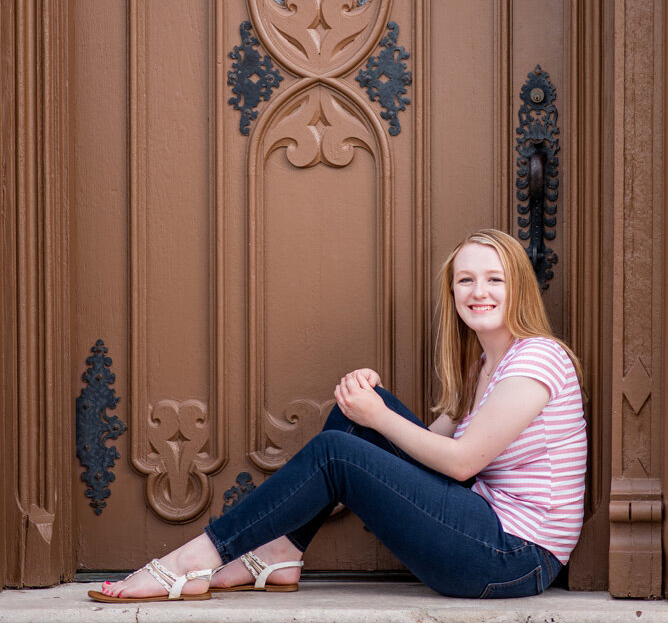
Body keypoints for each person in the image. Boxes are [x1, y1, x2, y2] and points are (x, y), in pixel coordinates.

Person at [89, 228, 586, 603]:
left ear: (518, 286)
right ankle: (282, 554)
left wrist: (379, 419)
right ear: (452, 292)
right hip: (486, 529)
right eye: (466, 279)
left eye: (494, 279)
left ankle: (194, 559)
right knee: (355, 422)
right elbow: (429, 446)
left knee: (338, 451)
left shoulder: (537, 357)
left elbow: (459, 464)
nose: (479, 291)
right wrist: (366, 406)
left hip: (516, 558)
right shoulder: (483, 363)